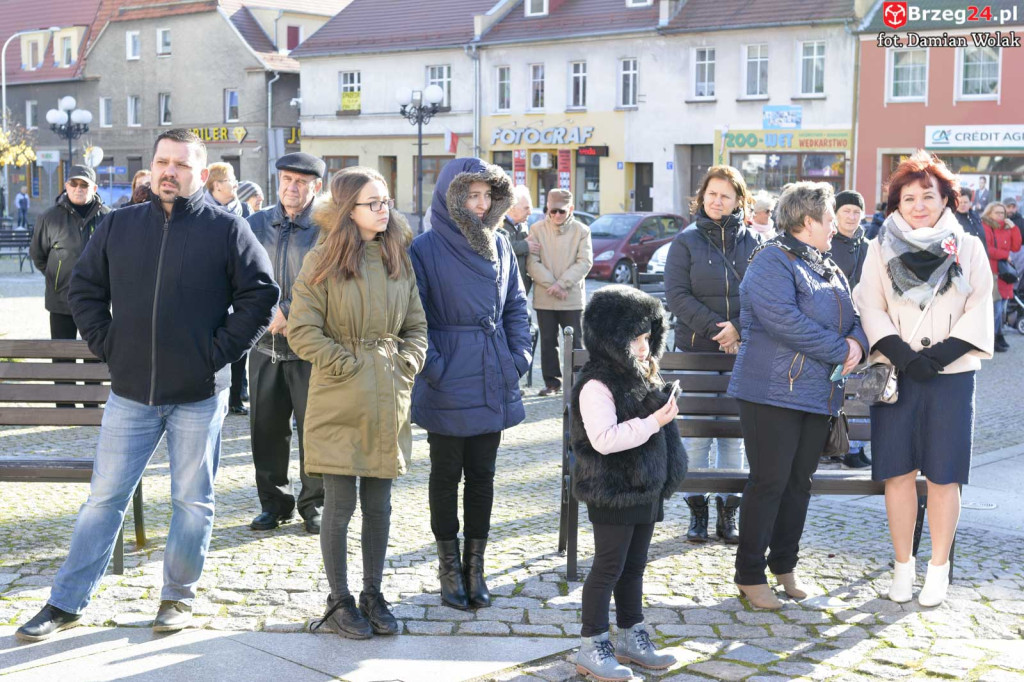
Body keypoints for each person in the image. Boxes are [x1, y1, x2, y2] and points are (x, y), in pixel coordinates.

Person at [15, 129, 278, 641]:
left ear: (200, 173)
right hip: (131, 391)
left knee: (192, 500)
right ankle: (65, 602)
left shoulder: (227, 229)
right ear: (152, 167)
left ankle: (176, 598)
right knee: (103, 499)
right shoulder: (120, 225)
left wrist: (216, 353)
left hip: (199, 393)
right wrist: (109, 343)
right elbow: (84, 288)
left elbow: (260, 297)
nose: (169, 171)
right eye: (162, 162)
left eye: (181, 164)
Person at [289, 167, 427, 639]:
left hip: (388, 392)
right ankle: (339, 598)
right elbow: (303, 330)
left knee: (380, 503)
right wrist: (346, 365)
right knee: (340, 503)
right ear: (349, 209)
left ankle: (373, 593)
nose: (384, 208)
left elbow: (417, 326)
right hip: (339, 394)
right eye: (374, 202)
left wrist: (406, 362)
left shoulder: (397, 258)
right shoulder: (322, 260)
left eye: (386, 200)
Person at [855, 150, 993, 607]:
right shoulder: (879, 248)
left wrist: (941, 357)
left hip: (951, 375)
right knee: (897, 473)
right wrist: (901, 354)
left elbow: (980, 308)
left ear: (945, 200)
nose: (918, 204)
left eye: (927, 196)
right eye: (908, 197)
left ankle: (937, 568)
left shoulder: (968, 246)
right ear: (896, 203)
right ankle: (902, 567)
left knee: (944, 476)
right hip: (898, 372)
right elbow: (869, 304)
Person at [727, 182, 868, 610]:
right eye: (829, 219)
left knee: (799, 485)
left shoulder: (826, 265)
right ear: (807, 222)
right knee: (769, 482)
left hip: (815, 394)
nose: (835, 226)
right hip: (770, 391)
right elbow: (784, 321)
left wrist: (857, 344)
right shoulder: (772, 260)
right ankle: (749, 573)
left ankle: (783, 565)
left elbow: (854, 315)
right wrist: (841, 349)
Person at [409, 158, 531, 611]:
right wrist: (435, 368)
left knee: (482, 475)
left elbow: (517, 305)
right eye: (471, 196)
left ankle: (475, 566)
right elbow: (413, 316)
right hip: (446, 374)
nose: (480, 206)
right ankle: (448, 566)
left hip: (491, 370)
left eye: (486, 196)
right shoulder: (424, 248)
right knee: (445, 475)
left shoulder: (500, 244)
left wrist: (517, 358)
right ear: (451, 197)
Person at [570, 286, 686, 681]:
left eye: (647, 338)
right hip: (613, 488)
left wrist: (661, 406)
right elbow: (604, 439)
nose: (643, 346)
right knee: (608, 566)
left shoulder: (639, 374)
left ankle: (631, 635)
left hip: (646, 485)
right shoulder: (596, 384)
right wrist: (655, 421)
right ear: (612, 338)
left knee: (634, 566)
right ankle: (592, 643)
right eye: (635, 339)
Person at [663, 165, 761, 545]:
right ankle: (697, 511)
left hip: (743, 353)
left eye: (726, 195)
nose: (717, 201)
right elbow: (677, 296)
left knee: (734, 437)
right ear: (701, 197)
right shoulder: (685, 242)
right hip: (696, 352)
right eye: (711, 194)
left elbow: (764, 296)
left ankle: (728, 511)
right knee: (698, 436)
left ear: (739, 200)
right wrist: (718, 330)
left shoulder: (754, 243)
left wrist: (738, 327)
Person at [246, 152, 327, 534]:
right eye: (286, 180)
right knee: (265, 429)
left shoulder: (327, 228)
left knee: (315, 430)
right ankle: (275, 503)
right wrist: (263, 312)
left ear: (316, 187)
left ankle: (315, 504)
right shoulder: (255, 224)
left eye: (301, 182)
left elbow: (330, 282)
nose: (292, 188)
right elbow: (241, 277)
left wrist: (290, 310)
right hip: (263, 345)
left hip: (310, 349)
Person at [29, 165, 111, 408]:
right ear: (66, 186)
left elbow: (115, 257)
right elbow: (38, 255)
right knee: (63, 354)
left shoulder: (108, 217)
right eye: (73, 184)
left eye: (84, 184)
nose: (78, 188)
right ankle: (65, 404)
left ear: (94, 188)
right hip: (60, 300)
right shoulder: (49, 217)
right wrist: (56, 278)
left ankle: (91, 404)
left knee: (94, 353)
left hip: (96, 301)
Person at [527, 188, 593, 396]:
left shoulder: (582, 231)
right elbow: (532, 262)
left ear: (570, 209)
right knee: (548, 342)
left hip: (571, 298)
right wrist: (553, 286)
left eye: (561, 211)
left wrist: (562, 284)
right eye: (552, 211)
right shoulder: (536, 229)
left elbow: (585, 262)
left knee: (575, 342)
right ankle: (552, 383)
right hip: (545, 298)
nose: (556, 215)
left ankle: (577, 382)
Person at [981, 202, 1022, 353]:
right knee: (995, 308)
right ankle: (993, 338)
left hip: (1005, 274)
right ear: (989, 213)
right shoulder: (985, 226)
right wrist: (1006, 255)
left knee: (1002, 308)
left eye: (1003, 213)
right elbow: (987, 249)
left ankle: (998, 335)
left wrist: (1013, 227)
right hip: (993, 272)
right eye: (997, 212)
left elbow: (1016, 246)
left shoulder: (1006, 227)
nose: (1001, 216)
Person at [499, 184, 533, 295]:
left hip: (521, 287)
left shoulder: (523, 224)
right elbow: (503, 247)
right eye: (526, 208)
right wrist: (526, 246)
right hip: (505, 287)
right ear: (512, 207)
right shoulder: (499, 224)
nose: (530, 212)